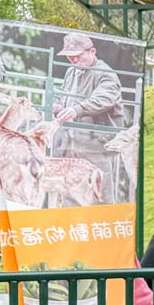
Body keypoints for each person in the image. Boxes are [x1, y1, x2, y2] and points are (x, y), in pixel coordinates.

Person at [52, 32, 125, 203]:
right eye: (69, 56)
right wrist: (59, 105)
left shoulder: (106, 74)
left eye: (77, 55)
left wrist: (76, 110)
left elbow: (103, 99)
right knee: (71, 194)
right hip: (72, 144)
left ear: (92, 51)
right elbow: (66, 96)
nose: (73, 60)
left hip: (97, 146)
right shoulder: (71, 71)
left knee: (100, 196)